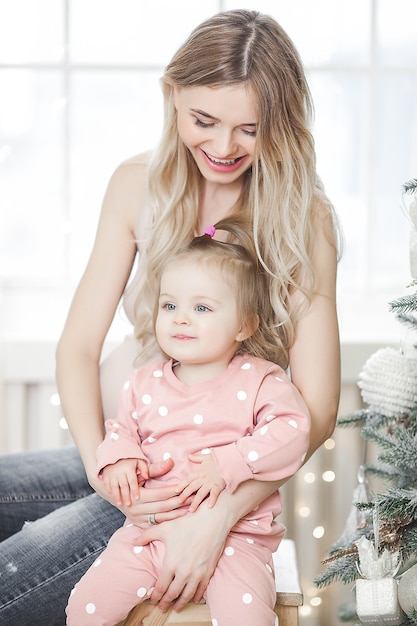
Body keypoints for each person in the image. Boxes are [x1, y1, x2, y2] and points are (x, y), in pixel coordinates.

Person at [0, 9, 340, 626]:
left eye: (250, 130)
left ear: (281, 126)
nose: (223, 147)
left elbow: (315, 411)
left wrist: (217, 515)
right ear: (172, 95)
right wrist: (102, 465)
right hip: (126, 456)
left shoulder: (302, 217)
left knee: (13, 577)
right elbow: (76, 350)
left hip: (196, 484)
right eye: (203, 121)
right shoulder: (136, 184)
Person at [65, 223, 311, 626]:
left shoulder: (260, 379)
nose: (180, 319)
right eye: (169, 306)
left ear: (244, 325)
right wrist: (122, 460)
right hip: (149, 535)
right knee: (85, 607)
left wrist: (230, 462)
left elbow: (293, 432)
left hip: (237, 538)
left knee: (246, 617)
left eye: (201, 308)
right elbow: (121, 432)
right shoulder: (144, 382)